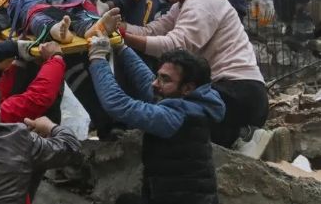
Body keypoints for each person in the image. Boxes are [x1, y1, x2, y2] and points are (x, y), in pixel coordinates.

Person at [118, 0, 269, 148]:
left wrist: (123, 38)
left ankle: (241, 137)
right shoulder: (183, 5)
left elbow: (176, 46)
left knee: (174, 115)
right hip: (229, 92)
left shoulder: (204, 2)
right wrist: (115, 26)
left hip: (239, 93)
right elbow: (151, 31)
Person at [88, 38, 225, 204]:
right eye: (158, 76)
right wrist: (122, 47)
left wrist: (97, 58)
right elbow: (147, 82)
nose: (155, 83)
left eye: (164, 79)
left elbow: (119, 104)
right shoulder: (195, 102)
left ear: (188, 88)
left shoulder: (174, 117)